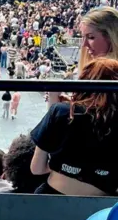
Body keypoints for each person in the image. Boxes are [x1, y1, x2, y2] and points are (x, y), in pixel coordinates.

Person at [31, 58, 118, 196]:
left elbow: (37, 168)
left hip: (51, 197)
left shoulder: (61, 111)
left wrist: (62, 167)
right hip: (100, 209)